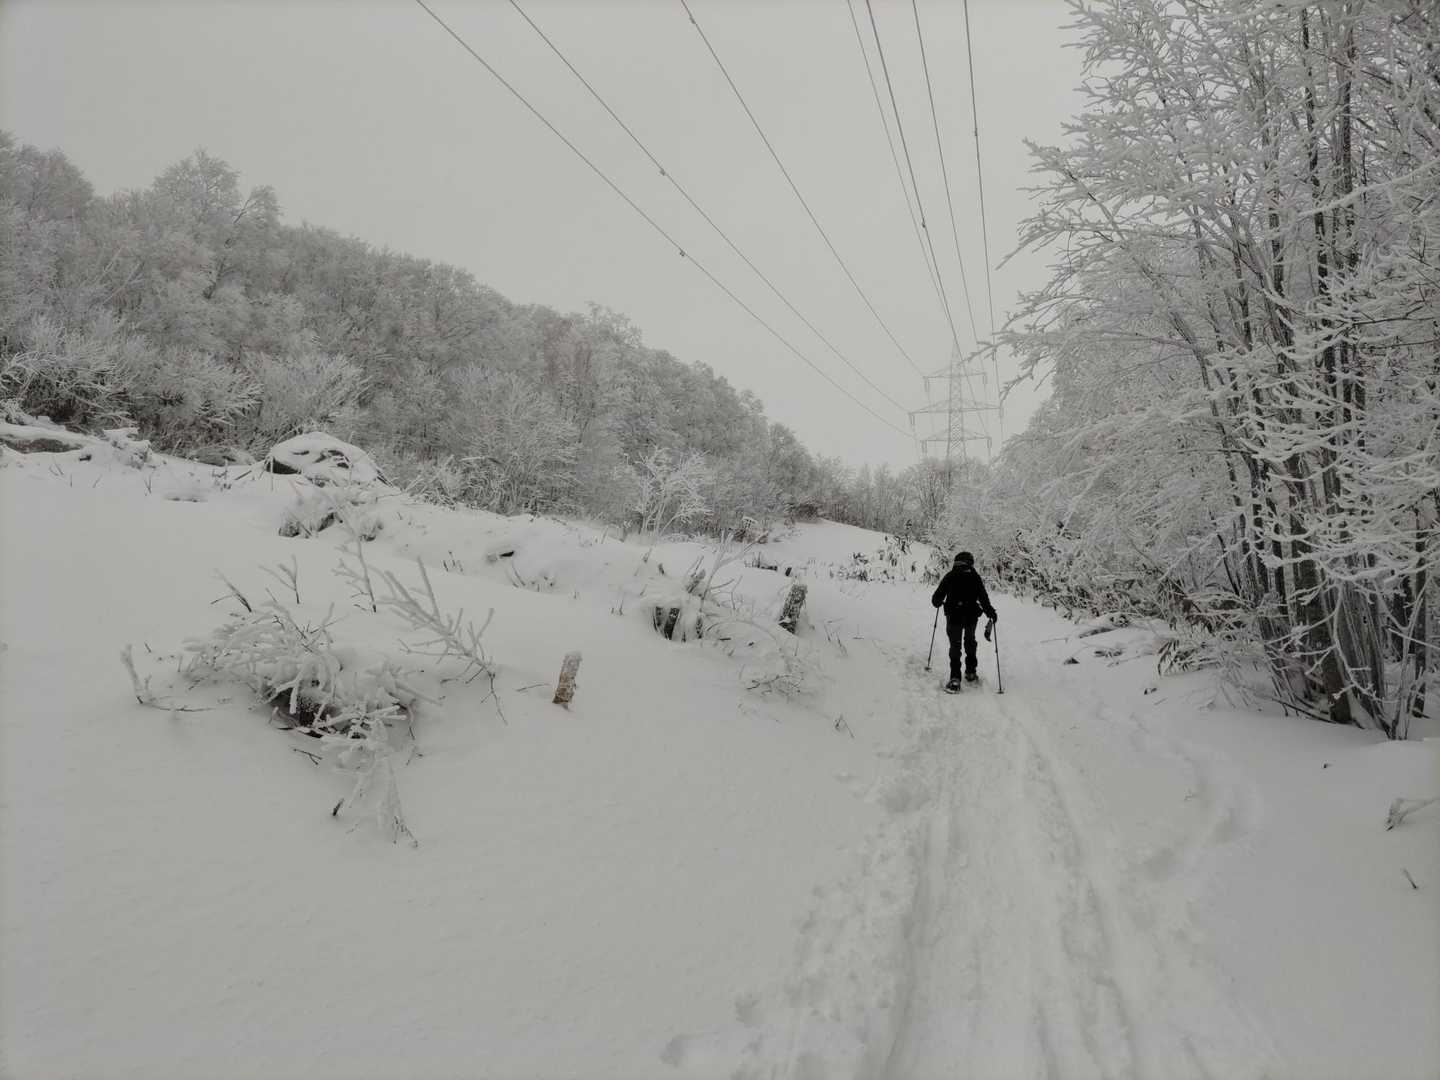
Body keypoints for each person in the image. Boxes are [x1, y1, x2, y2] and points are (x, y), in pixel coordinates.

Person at [930, 550, 998, 692]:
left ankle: (955, 679)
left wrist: (938, 602)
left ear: (956, 562)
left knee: (955, 645)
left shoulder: (950, 576)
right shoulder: (975, 577)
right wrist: (991, 613)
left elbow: (936, 599)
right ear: (970, 562)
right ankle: (971, 672)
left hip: (953, 616)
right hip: (971, 616)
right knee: (970, 642)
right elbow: (983, 598)